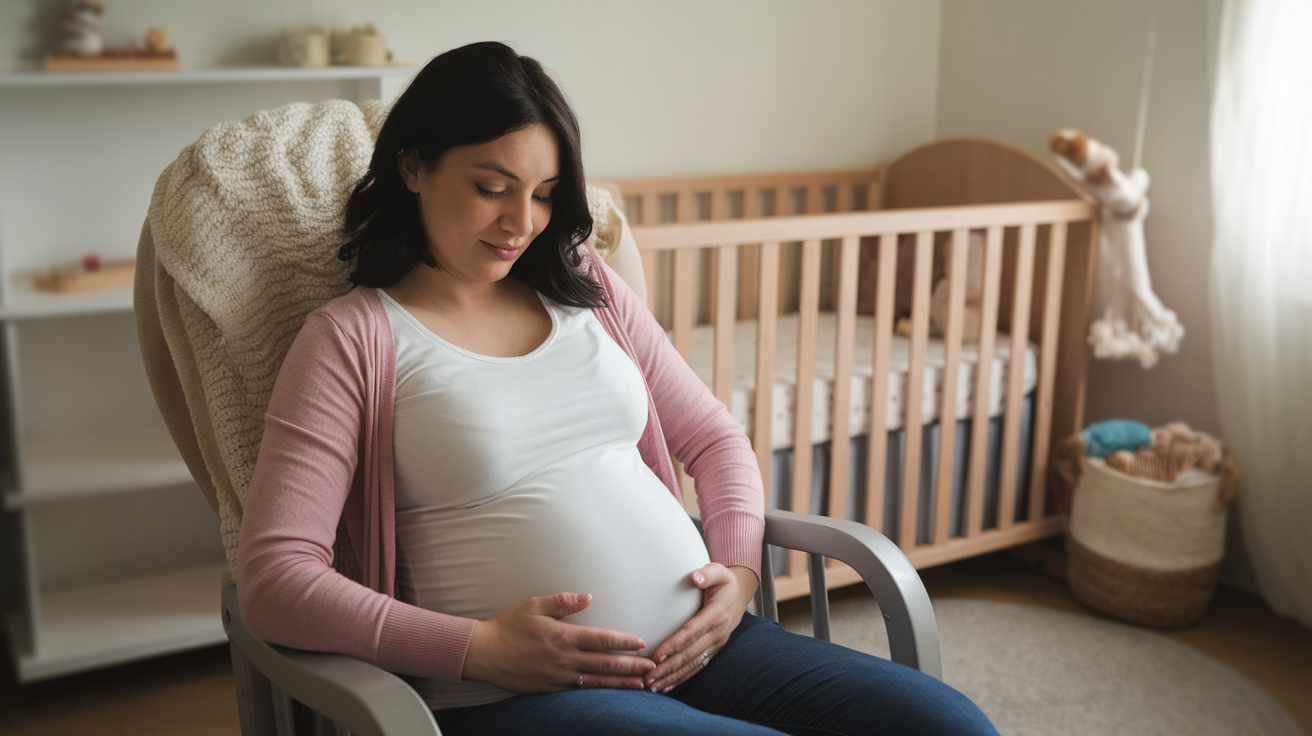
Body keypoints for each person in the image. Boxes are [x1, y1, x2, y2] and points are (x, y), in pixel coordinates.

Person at [236, 41, 999, 736]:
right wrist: (479, 648)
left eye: (544, 193)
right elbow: (276, 579)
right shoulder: (351, 339)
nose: (521, 222)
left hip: (711, 647)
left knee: (950, 727)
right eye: (492, 187)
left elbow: (714, 439)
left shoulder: (584, 287)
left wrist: (734, 574)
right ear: (412, 166)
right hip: (521, 699)